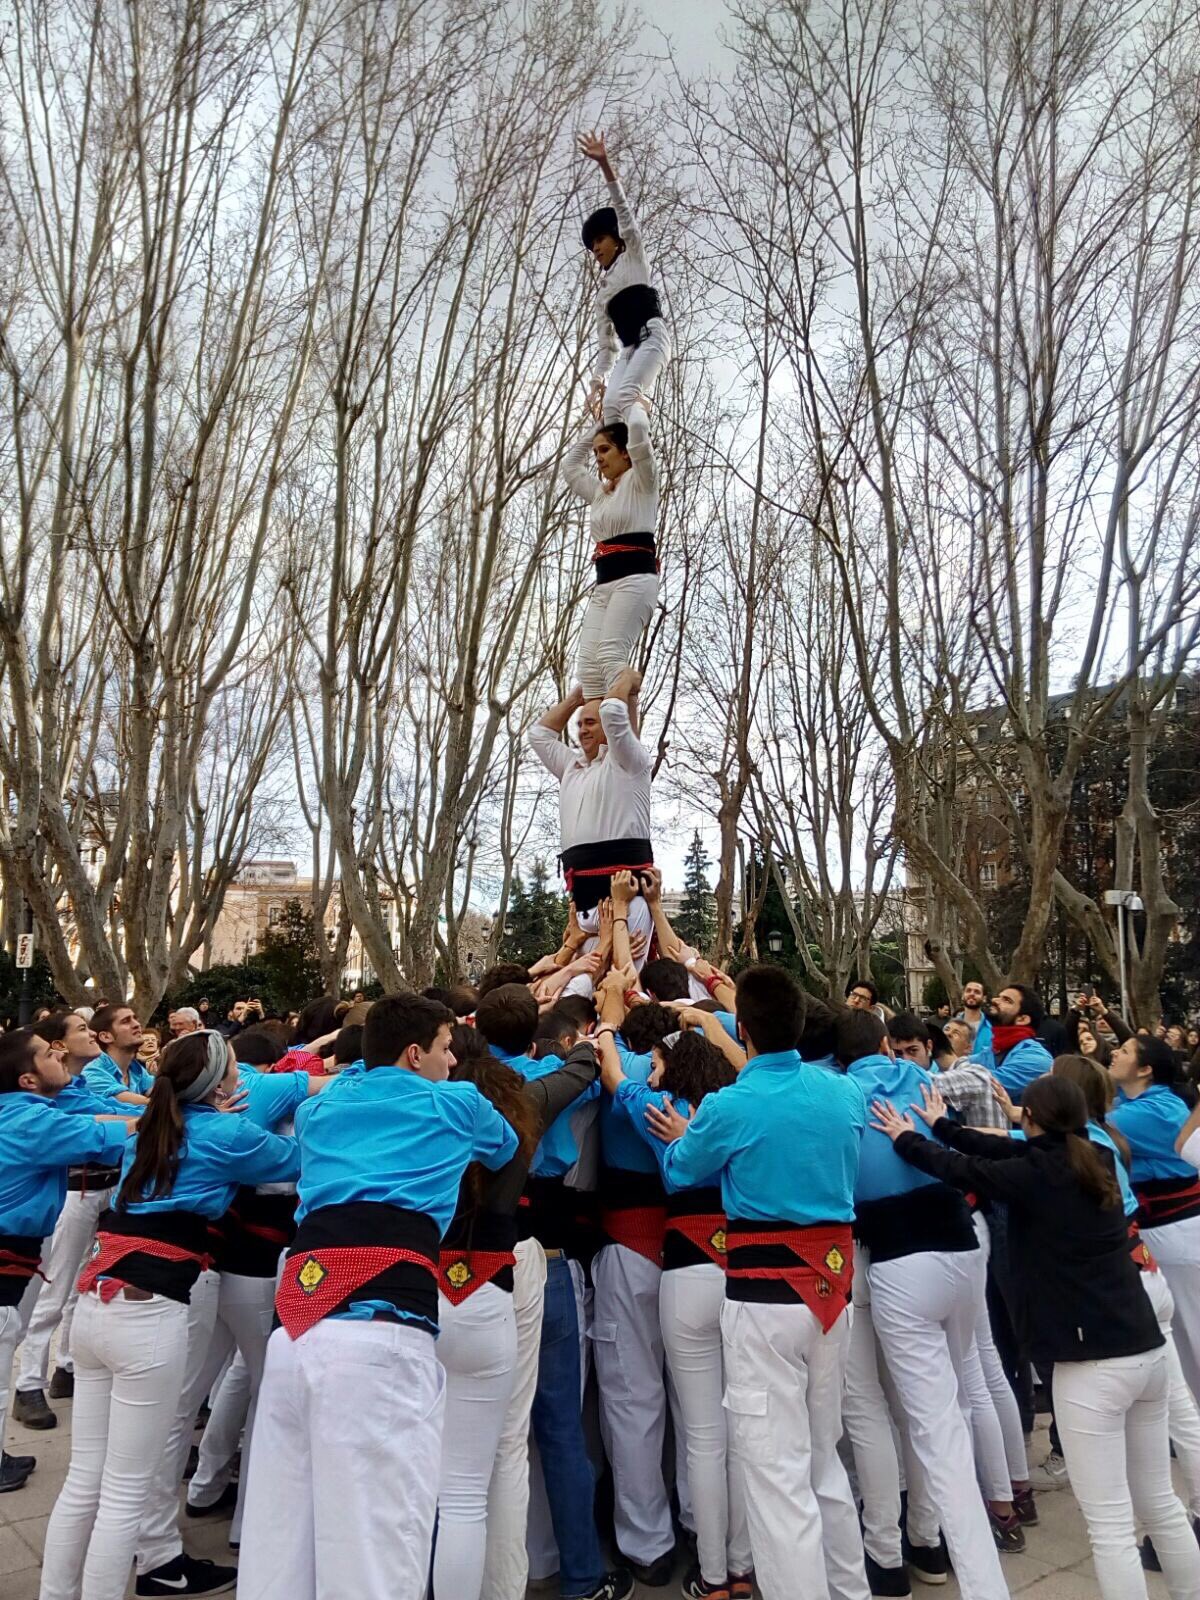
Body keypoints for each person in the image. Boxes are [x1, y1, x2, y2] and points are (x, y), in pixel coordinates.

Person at [873, 1073, 1200, 1600]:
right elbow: (996, 1149)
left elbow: (962, 1169)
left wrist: (906, 1137)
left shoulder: (1038, 1174)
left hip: (1091, 1364)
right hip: (1144, 1349)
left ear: (1030, 1117)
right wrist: (942, 1125)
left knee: (1110, 1526)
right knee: (1160, 1502)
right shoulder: (1094, 1153)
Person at [236, 994, 519, 1600]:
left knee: (280, 1549)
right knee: (378, 1557)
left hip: (295, 1328)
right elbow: (504, 1146)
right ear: (416, 1053)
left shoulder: (322, 1106)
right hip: (380, 1339)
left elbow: (277, 1102)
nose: (452, 1061)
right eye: (446, 1048)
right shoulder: (458, 1103)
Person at [38, 1030, 299, 1600]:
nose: (241, 1076)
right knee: (124, 1491)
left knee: (84, 1482)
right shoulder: (228, 1134)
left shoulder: (153, 1129)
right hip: (148, 1314)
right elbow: (299, 1159)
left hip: (96, 1304)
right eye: (234, 1068)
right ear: (219, 1082)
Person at [647, 965, 870, 1600]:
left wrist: (685, 1136)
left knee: (776, 1476)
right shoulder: (844, 1093)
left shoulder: (731, 1105)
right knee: (823, 1459)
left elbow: (681, 1169)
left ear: (741, 1028)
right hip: (832, 1294)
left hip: (763, 1299)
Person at [837, 1009, 1011, 1596]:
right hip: (960, 1246)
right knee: (944, 1405)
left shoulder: (842, 1093)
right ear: (888, 1046)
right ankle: (928, 1539)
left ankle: (905, 1555)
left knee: (921, 1417)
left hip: (894, 1256)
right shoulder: (918, 1078)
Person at [433, 1015, 603, 1600]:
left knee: (447, 1451)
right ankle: (558, 1579)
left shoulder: (422, 1107)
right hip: (519, 1264)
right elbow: (581, 1068)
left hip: (437, 1274)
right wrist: (593, 1037)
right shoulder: (525, 1096)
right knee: (526, 1440)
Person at [595, 972, 752, 1600]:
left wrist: (610, 1010)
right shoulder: (732, 1091)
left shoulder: (642, 1083)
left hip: (641, 1247)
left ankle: (649, 1543)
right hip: (722, 1255)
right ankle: (713, 1536)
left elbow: (612, 1066)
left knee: (635, 1399)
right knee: (714, 1412)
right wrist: (703, 1016)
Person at [475, 987, 629, 1600]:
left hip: (473, 1265)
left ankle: (484, 1574)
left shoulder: (459, 1083)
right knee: (561, 1428)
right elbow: (595, 1068)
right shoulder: (552, 1080)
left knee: (484, 1436)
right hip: (550, 1258)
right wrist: (603, 1023)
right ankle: (582, 1577)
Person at [0, 1028, 131, 1495]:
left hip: (16, 1250)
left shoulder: (28, 1109)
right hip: (7, 1253)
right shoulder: (30, 1120)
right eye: (46, 1053)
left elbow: (92, 1115)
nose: (57, 1053)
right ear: (28, 1079)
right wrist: (169, 1117)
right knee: (3, 1340)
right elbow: (98, 1134)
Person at [528, 673, 655, 959]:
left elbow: (613, 712)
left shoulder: (629, 762)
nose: (582, 730)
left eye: (590, 722)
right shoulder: (570, 766)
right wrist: (576, 698)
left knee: (623, 982)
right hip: (583, 906)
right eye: (579, 724)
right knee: (582, 985)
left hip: (627, 903)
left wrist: (626, 680)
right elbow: (539, 735)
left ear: (607, 727)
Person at [1108, 1035, 1200, 1406]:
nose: (1115, 1052)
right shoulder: (1131, 1104)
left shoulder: (1155, 1110)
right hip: (1159, 1231)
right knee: (1179, 1338)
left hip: (1178, 1230)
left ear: (1145, 1069)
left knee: (1192, 1332)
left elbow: (1081, 1129)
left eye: (1125, 1051)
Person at [561, 397, 659, 701]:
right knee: (589, 669)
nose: (598, 458)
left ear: (625, 452)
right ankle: (602, 732)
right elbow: (570, 466)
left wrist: (635, 406)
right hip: (604, 584)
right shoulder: (600, 493)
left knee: (609, 654)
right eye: (595, 452)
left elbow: (638, 429)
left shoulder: (642, 480)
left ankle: (626, 712)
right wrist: (600, 424)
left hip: (635, 579)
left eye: (605, 450)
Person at [578, 130, 670, 425]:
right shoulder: (603, 295)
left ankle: (642, 410)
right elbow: (607, 347)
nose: (596, 249)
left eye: (600, 240)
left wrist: (604, 164)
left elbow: (623, 209)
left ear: (617, 239)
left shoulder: (633, 258)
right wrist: (596, 382)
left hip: (652, 338)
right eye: (592, 246)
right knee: (611, 409)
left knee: (627, 395)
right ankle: (625, 455)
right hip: (629, 351)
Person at [982, 984, 1053, 1101]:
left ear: (1022, 1019)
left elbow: (983, 1085)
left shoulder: (1036, 1058)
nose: (994, 1000)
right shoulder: (992, 1050)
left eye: (1007, 1000)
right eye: (999, 997)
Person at [83, 1004, 153, 1106]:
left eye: (135, 1019)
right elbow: (146, 1104)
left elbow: (159, 1091)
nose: (137, 1024)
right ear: (106, 1037)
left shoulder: (135, 1069)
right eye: (125, 1021)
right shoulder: (92, 1071)